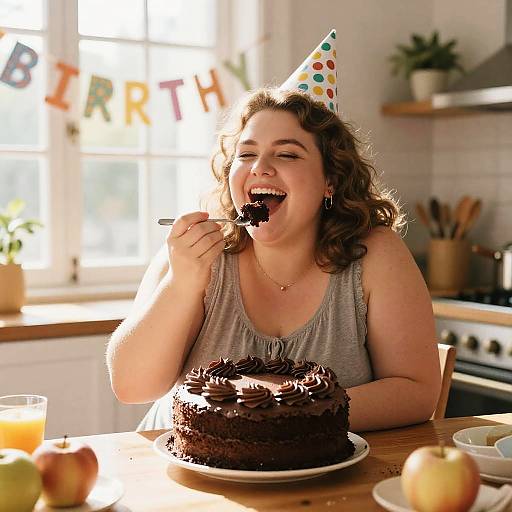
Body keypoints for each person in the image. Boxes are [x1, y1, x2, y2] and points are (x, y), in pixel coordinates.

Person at [106, 30, 441, 432]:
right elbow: (131, 386)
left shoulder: (374, 253)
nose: (259, 167)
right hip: (185, 473)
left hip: (318, 479)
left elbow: (417, 391)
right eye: (246, 154)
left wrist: (288, 414)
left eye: (286, 153)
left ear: (329, 180)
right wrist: (182, 284)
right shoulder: (193, 256)